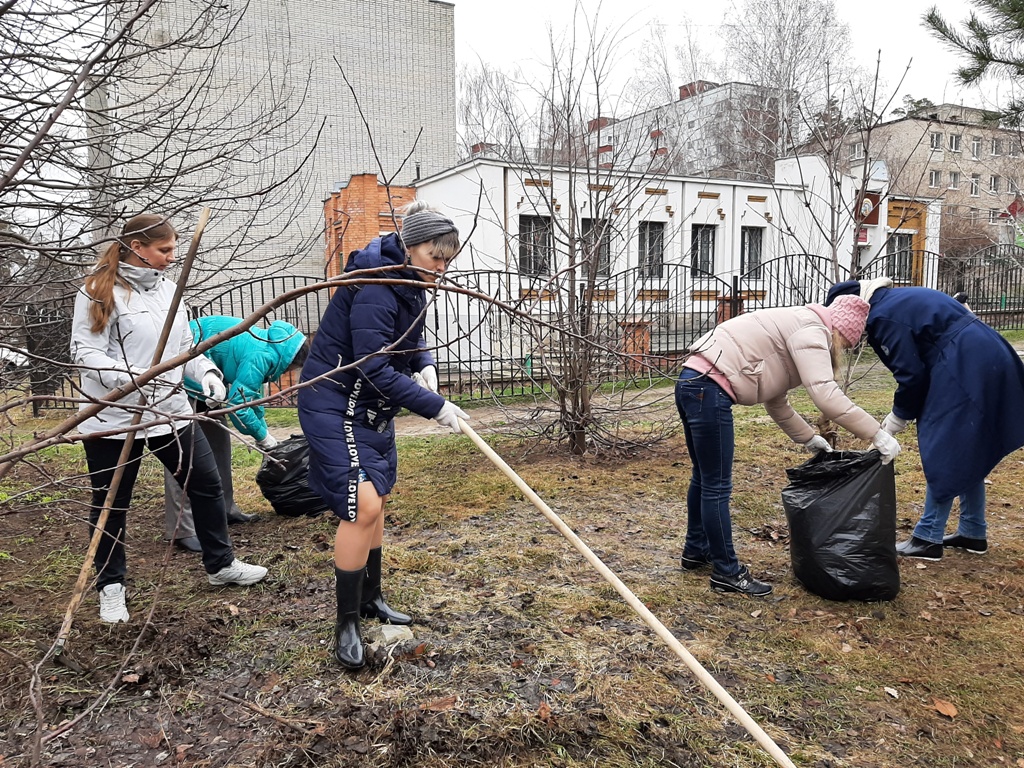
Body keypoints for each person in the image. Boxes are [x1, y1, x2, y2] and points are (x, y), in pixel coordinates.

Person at [71, 214, 268, 624]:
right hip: (114, 416)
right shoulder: (98, 290)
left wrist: (206, 371)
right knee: (111, 503)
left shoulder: (169, 291)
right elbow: (85, 353)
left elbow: (186, 346)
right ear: (137, 247)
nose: (171, 257)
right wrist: (134, 380)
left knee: (207, 484)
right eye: (164, 250)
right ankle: (111, 587)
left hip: (171, 410)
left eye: (175, 249)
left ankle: (220, 564)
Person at [297, 201, 469, 669]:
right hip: (335, 402)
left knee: (378, 496)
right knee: (364, 502)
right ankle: (347, 623)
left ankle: (370, 598)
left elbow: (407, 336)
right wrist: (435, 407)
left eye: (448, 260)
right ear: (411, 247)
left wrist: (424, 363)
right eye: (436, 257)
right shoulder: (376, 283)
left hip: (368, 405)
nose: (441, 268)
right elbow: (372, 365)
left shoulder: (408, 279)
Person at [675, 295, 901, 596]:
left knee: (704, 479)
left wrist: (808, 438)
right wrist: (878, 434)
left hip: (692, 383)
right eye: (845, 345)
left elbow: (776, 401)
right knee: (716, 486)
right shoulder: (812, 330)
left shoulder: (797, 325)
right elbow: (826, 395)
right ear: (839, 332)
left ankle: (695, 550)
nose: (841, 352)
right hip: (709, 389)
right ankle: (726, 572)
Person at [826, 278, 1024, 560]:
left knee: (944, 444)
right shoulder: (895, 300)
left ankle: (928, 536)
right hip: (986, 353)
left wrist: (894, 421)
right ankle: (972, 529)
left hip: (963, 362)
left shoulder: (882, 316)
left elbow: (911, 376)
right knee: (967, 444)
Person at [162, 316, 310, 552]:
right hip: (185, 368)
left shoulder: (268, 351)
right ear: (291, 361)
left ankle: (225, 508)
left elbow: (251, 401)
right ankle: (183, 530)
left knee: (219, 443)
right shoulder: (262, 354)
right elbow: (239, 407)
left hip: (209, 378)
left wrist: (263, 432)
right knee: (184, 453)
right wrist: (263, 438)